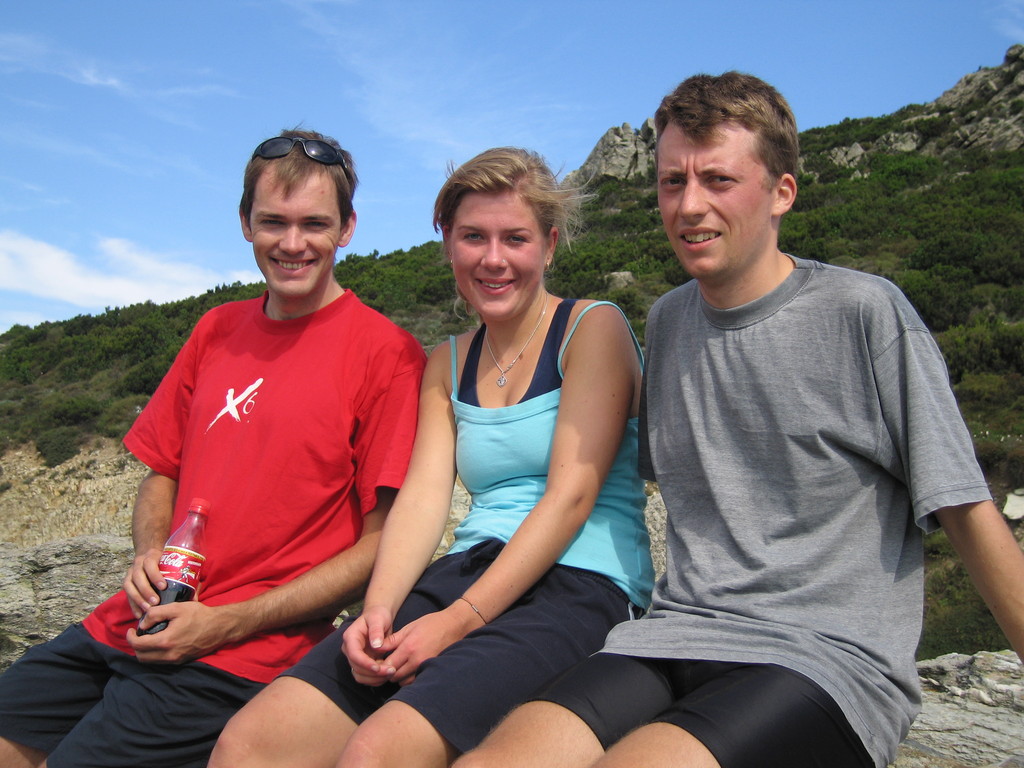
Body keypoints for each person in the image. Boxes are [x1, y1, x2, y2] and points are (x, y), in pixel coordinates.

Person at [454, 73, 1024, 768]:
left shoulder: (863, 312)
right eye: (672, 181)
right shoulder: (668, 321)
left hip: (822, 659)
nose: (689, 205)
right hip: (672, 636)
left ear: (782, 192)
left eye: (718, 179)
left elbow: (964, 508)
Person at [209, 146, 655, 768]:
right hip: (468, 568)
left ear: (549, 245)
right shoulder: (447, 362)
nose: (493, 258)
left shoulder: (590, 328)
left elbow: (571, 497)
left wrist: (459, 621)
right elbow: (421, 501)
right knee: (250, 744)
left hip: (581, 583)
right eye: (473, 237)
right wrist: (378, 610)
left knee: (378, 753)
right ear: (447, 244)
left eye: (515, 238)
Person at [0, 129, 427, 768]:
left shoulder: (387, 354)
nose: (292, 243)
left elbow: (382, 544)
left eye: (314, 224)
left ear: (347, 228)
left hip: (241, 654)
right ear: (245, 223)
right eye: (273, 222)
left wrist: (229, 622)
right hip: (129, 624)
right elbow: (162, 472)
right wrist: (148, 553)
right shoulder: (216, 328)